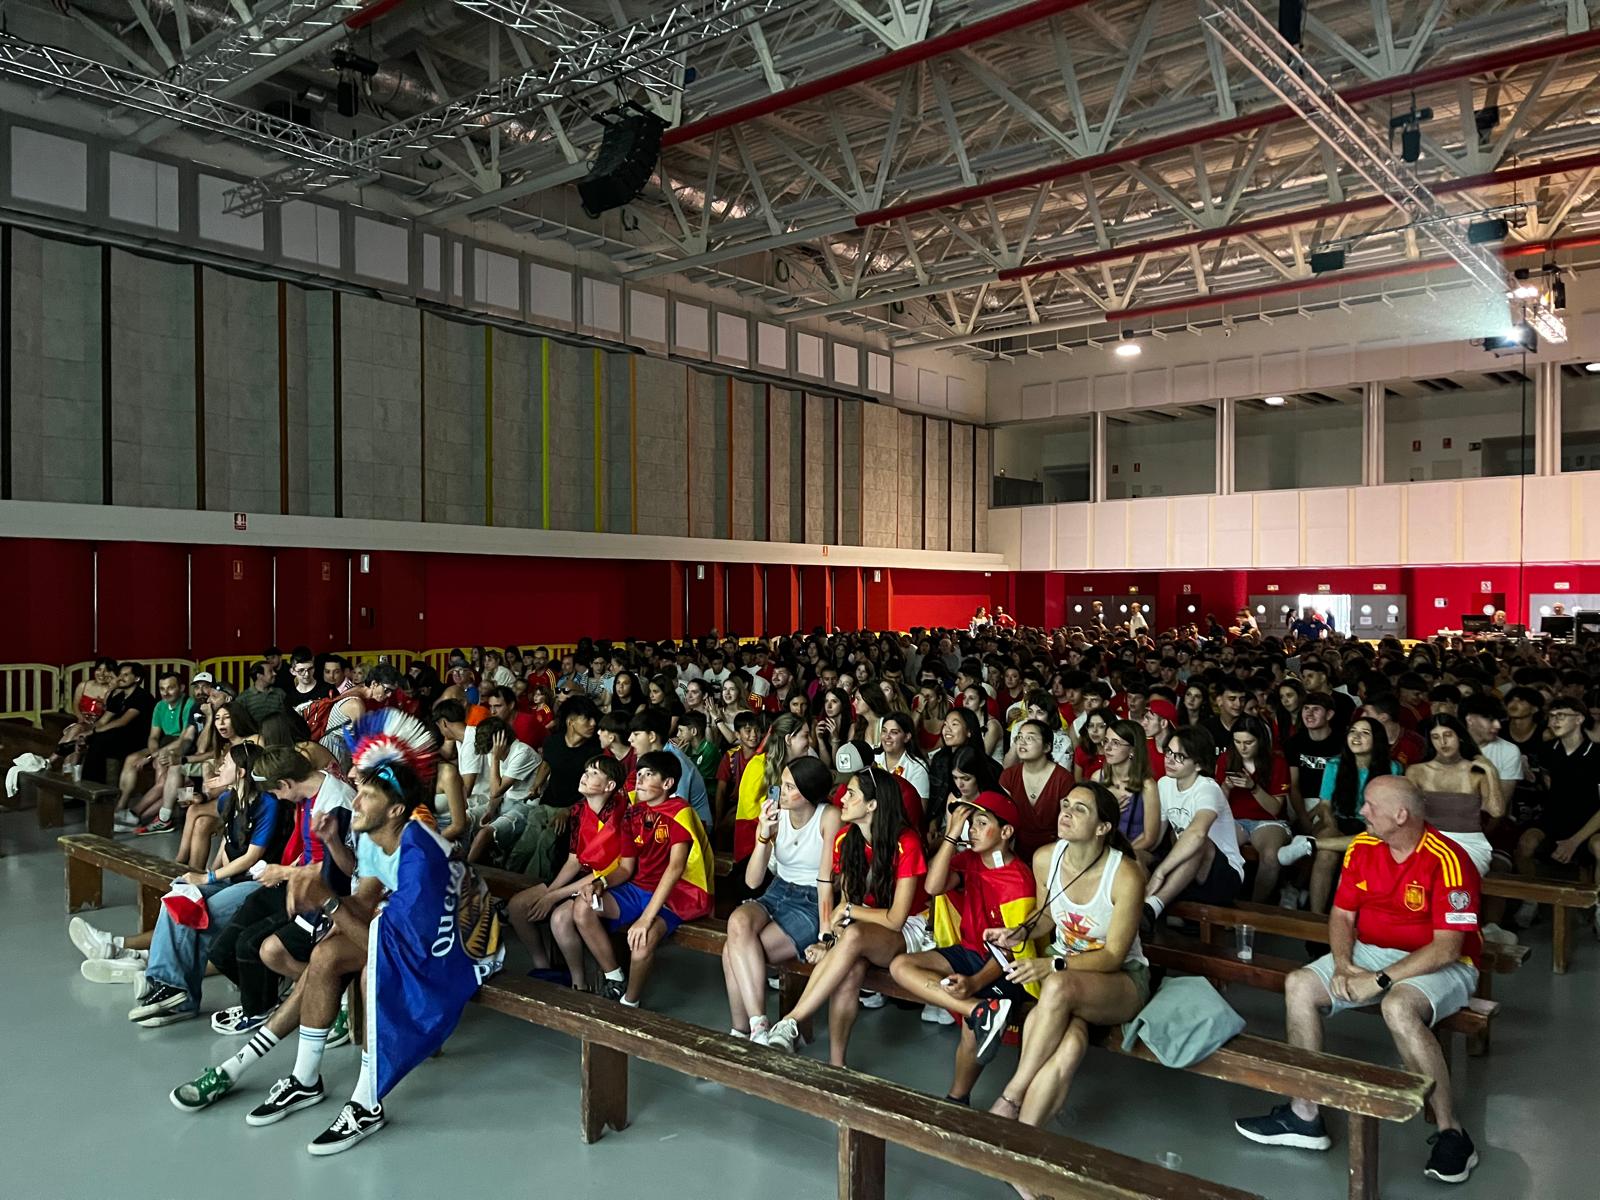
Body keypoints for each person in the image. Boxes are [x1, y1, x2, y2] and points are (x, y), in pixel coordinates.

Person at [1235, 776, 1482, 1185]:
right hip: (1369, 950)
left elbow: (1447, 949)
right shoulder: (1364, 848)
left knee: (1397, 1006)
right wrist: (1345, 964)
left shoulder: (1450, 859)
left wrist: (1380, 980)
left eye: (1370, 805)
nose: (1362, 812)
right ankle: (1304, 1114)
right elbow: (1343, 915)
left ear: (1401, 815)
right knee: (1299, 984)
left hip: (1442, 962)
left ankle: (1451, 1132)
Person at [986, 782, 1149, 1142]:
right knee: (1071, 1045)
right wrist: (1019, 932)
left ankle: (1010, 1096)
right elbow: (1045, 916)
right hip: (1067, 979)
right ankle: (1022, 1149)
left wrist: (1054, 966)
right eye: (1065, 804)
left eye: (1080, 809)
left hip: (1119, 981)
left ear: (1103, 828)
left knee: (1058, 985)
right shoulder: (1047, 857)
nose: (1067, 812)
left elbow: (1112, 957)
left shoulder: (1125, 875)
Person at [764, 767, 930, 1063]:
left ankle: (791, 1021)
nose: (842, 798)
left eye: (851, 794)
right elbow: (844, 910)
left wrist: (852, 913)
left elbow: (896, 918)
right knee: (850, 972)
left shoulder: (907, 843)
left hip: (909, 929)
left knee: (853, 934)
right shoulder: (847, 839)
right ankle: (837, 1065)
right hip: (864, 929)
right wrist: (829, 940)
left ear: (872, 805)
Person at [118, 742, 288, 1025]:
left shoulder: (267, 804)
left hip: (259, 884)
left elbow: (252, 856)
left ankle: (177, 991)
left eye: (227, 764)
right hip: (231, 879)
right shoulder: (227, 800)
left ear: (243, 772)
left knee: (199, 910)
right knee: (177, 897)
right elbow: (227, 841)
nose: (221, 767)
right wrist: (210, 873)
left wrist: (207, 879)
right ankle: (164, 982)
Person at [888, 790, 1037, 1104]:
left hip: (1005, 968)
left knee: (972, 1031)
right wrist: (952, 833)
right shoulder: (969, 860)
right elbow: (932, 886)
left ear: (1006, 832)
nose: (973, 830)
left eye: (982, 823)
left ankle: (957, 1098)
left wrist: (974, 983)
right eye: (972, 823)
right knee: (900, 966)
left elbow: (1013, 952)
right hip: (969, 951)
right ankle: (980, 1011)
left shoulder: (1019, 881)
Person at [564, 751, 714, 1006]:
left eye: (649, 775)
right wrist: (601, 883)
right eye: (639, 774)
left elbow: (675, 869)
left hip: (674, 896)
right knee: (582, 907)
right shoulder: (633, 815)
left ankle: (630, 1003)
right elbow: (625, 868)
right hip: (638, 889)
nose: (640, 780)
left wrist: (646, 919)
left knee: (642, 941)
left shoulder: (680, 813)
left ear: (667, 784)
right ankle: (615, 977)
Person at [723, 757, 841, 1041]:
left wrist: (825, 932)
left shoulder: (829, 817)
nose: (781, 790)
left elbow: (826, 881)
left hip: (811, 900)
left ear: (809, 792)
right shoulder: (776, 814)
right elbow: (752, 881)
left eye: (790, 786)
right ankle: (758, 1024)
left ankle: (743, 1031)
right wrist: (764, 834)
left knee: (732, 951)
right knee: (738, 921)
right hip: (777, 890)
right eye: (782, 783)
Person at [506, 755, 629, 983]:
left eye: (594, 773)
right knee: (517, 906)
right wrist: (549, 893)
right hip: (580, 873)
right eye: (586, 770)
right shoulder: (579, 811)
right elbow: (573, 860)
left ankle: (578, 982)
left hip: (604, 882)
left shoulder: (620, 815)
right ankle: (543, 966)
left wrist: (553, 897)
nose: (585, 775)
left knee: (560, 918)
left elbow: (604, 871)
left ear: (609, 786)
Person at [1278, 717, 1402, 914]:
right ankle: (1316, 918)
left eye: (1364, 733)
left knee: (1372, 842)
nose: (1356, 736)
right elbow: (1325, 805)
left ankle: (1309, 845)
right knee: (1327, 854)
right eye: (1353, 731)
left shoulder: (1393, 768)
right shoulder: (1335, 764)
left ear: (1377, 739)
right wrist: (1331, 826)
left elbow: (1387, 812)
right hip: (1337, 820)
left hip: (1372, 825)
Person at [1141, 726, 1247, 933]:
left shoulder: (1207, 788)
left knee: (1198, 841)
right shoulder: (1164, 784)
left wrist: (1161, 872)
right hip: (1187, 871)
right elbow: (1156, 837)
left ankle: (1152, 907)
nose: (1169, 760)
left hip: (1223, 877)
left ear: (1198, 764)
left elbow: (1197, 833)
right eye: (1169, 752)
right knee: (1139, 855)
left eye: (1179, 756)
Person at [1407, 714, 1504, 875]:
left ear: (1459, 736)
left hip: (1469, 843)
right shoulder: (1416, 771)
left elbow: (1497, 811)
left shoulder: (1477, 770)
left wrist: (1491, 771)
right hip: (1428, 843)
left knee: (1453, 873)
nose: (1443, 742)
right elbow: (1408, 814)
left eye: (1448, 735)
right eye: (1436, 737)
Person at [1215, 714, 1294, 902]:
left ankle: (1255, 907)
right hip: (1234, 819)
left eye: (1248, 742)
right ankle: (1223, 903)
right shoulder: (1226, 758)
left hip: (1268, 822)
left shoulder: (1277, 763)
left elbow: (1275, 809)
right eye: (1237, 742)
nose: (1242, 748)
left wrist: (1253, 787)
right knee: (1214, 846)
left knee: (1270, 856)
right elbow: (1218, 805)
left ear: (1260, 741)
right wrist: (1225, 787)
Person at [464, 717, 542, 865]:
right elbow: (497, 796)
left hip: (526, 805)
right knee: (465, 819)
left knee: (484, 834)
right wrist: (490, 811)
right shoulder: (494, 753)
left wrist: (494, 759)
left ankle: (466, 871)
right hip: (505, 802)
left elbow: (496, 791)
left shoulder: (522, 752)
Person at [1001, 718, 1076, 861]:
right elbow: (1003, 820)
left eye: (1030, 738)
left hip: (1054, 852)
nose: (1022, 742)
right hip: (1015, 851)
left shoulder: (1063, 779)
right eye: (1019, 737)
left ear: (1047, 747)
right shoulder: (1009, 776)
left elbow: (1067, 826)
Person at [1092, 719, 1161, 863]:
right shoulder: (1097, 777)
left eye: (1115, 743)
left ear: (1133, 750)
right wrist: (1110, 808)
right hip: (1101, 849)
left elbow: (1150, 837)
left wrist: (1118, 856)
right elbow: (1089, 821)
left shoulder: (1148, 786)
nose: (1108, 748)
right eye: (1106, 741)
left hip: (1134, 851)